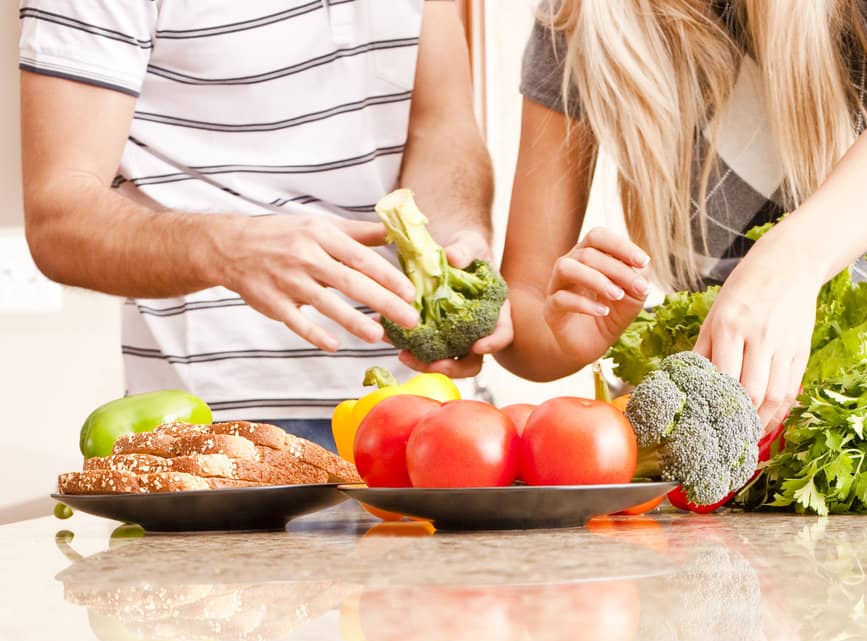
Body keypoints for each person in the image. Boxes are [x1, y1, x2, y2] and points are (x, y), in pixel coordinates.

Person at [19, 0, 512, 450]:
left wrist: (455, 243)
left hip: (419, 420)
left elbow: (440, 128)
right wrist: (227, 248)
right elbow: (60, 218)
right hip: (212, 425)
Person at [499, 0, 867, 434]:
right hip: (724, 435)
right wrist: (564, 339)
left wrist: (786, 265)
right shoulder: (579, 15)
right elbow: (523, 300)